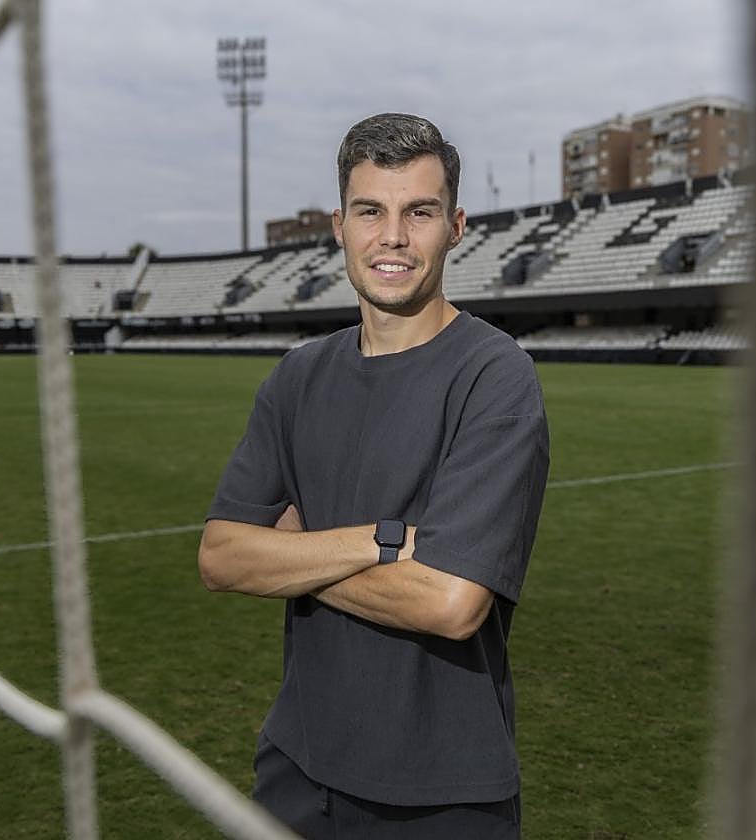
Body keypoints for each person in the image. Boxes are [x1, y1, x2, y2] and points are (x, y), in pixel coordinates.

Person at [199, 112, 550, 839]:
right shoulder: (297, 375)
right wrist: (384, 541)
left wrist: (290, 555)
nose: (392, 236)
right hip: (294, 769)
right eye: (371, 211)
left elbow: (451, 603)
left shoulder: (495, 374)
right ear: (340, 225)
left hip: (442, 796)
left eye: (417, 212)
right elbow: (221, 557)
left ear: (454, 226)